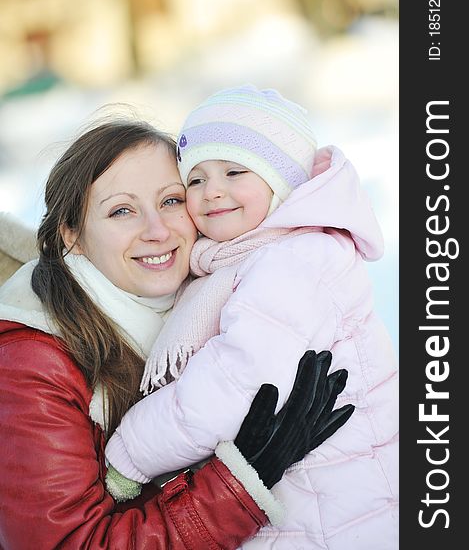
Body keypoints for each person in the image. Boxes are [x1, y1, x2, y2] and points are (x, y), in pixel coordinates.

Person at [0, 120, 354, 550]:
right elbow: (73, 543)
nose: (158, 230)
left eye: (170, 200)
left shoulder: (218, 301)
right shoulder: (31, 364)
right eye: (121, 211)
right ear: (71, 235)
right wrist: (238, 486)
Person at [104, 85, 399, 549]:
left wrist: (129, 454)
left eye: (234, 171)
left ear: (281, 182)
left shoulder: (295, 261)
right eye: (195, 179)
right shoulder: (241, 260)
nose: (212, 191)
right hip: (305, 502)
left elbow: (236, 384)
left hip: (340, 512)